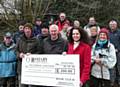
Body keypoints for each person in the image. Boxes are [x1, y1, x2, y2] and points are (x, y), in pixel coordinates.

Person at [16, 23, 42, 87]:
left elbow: (40, 51)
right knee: (22, 85)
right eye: (26, 28)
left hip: (32, 68)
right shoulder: (19, 39)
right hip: (21, 67)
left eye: (29, 29)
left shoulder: (36, 40)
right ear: (24, 30)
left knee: (32, 85)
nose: (27, 30)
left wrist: (32, 55)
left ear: (31, 30)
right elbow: (15, 51)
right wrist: (19, 54)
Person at [109, 20, 120, 87]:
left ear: (116, 25)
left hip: (118, 53)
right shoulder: (108, 33)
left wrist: (118, 49)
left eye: (113, 24)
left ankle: (119, 81)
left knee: (119, 67)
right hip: (110, 54)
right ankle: (112, 82)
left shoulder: (119, 32)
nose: (112, 26)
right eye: (111, 24)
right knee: (112, 67)